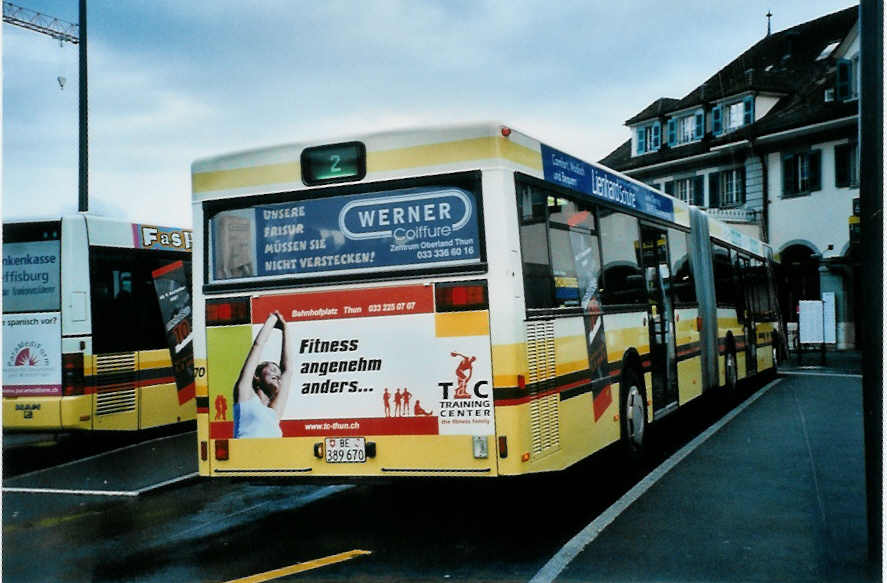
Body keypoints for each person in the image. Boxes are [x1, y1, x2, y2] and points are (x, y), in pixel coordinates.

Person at [233, 310, 293, 438]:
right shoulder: (245, 397)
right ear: (257, 376)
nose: (277, 375)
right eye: (272, 370)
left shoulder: (273, 413)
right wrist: (271, 321)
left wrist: (285, 328)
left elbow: (287, 371)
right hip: (244, 450)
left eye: (278, 375)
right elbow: (257, 346)